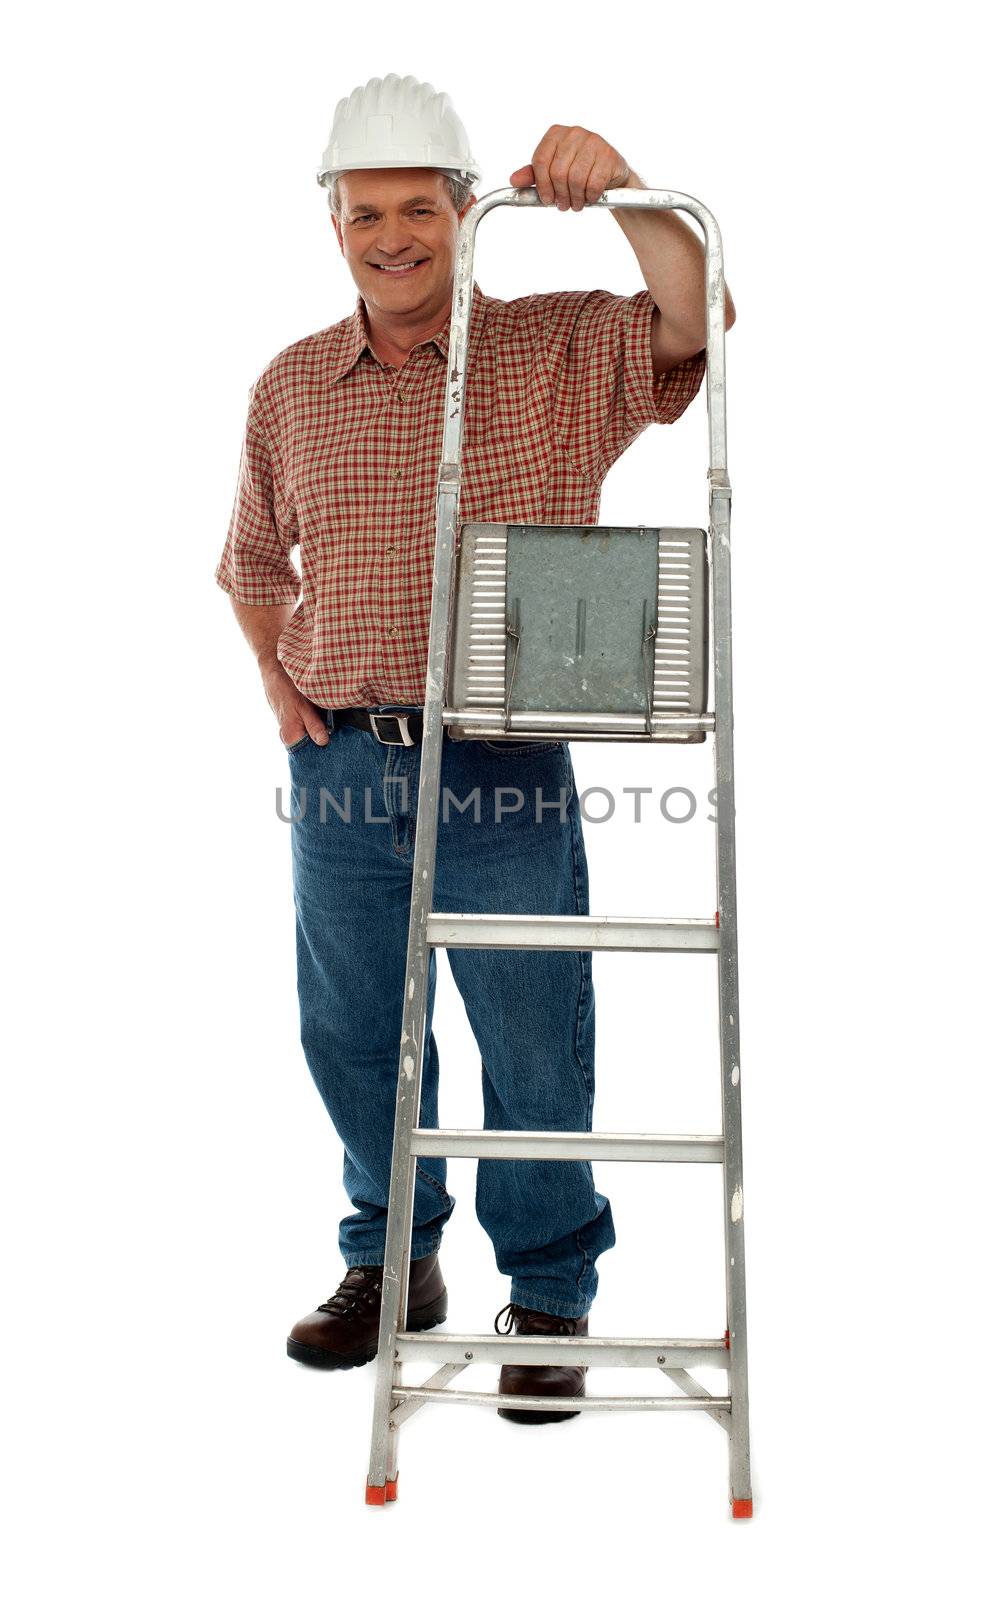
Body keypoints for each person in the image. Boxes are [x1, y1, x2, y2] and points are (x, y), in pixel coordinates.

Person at [216, 73, 735, 1423]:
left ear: (463, 213)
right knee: (352, 1031)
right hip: (342, 767)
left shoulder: (557, 351)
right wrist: (280, 692)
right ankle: (392, 1261)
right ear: (334, 223)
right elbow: (250, 562)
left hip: (504, 759)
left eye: (419, 209)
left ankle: (552, 1285)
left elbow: (699, 320)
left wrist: (621, 185)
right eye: (364, 213)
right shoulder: (290, 386)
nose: (393, 236)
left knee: (528, 1030)